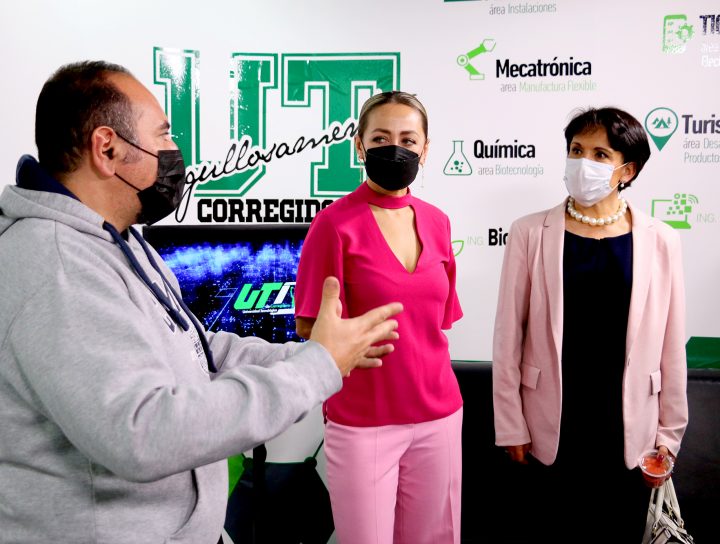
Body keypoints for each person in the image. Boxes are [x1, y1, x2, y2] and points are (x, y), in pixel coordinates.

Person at [0, 60, 403, 544]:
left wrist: (316, 353)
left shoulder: (118, 241)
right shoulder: (58, 265)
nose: (175, 151)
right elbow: (144, 433)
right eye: (163, 134)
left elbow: (196, 351)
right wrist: (315, 369)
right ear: (107, 149)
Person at [492, 107, 688, 541]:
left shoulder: (662, 239)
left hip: (630, 428)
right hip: (548, 425)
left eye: (601, 154)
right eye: (577, 150)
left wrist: (668, 438)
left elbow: (672, 347)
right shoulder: (529, 232)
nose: (584, 162)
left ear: (627, 170)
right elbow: (508, 337)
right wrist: (510, 424)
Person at [294, 91, 464, 544]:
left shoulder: (439, 222)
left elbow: (437, 322)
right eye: (381, 138)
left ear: (425, 149)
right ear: (360, 145)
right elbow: (309, 325)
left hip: (440, 416)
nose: (395, 149)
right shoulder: (333, 224)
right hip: (362, 419)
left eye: (408, 140)